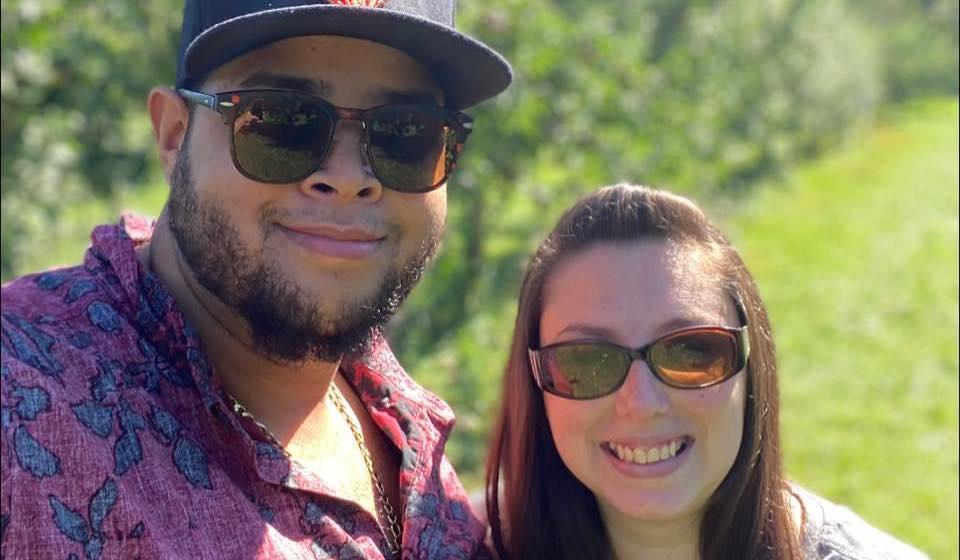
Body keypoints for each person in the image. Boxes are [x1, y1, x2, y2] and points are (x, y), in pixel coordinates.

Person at [0, 1, 511, 558]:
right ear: (173, 135)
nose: (348, 178)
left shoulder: (401, 422)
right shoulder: (21, 410)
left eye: (406, 134)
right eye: (281, 123)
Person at [483, 184, 929, 560]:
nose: (641, 403)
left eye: (691, 352)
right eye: (587, 360)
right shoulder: (461, 544)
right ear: (534, 383)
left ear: (752, 368)